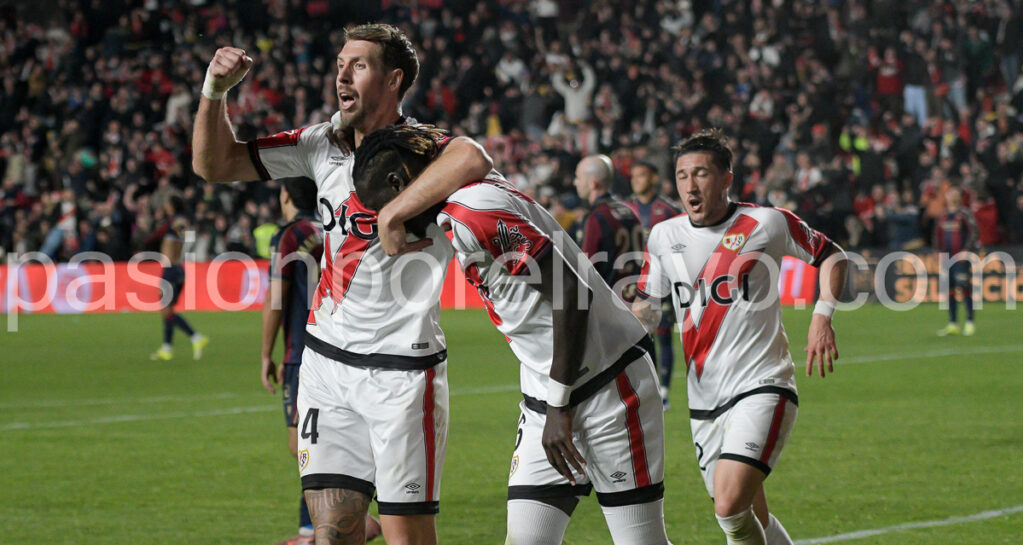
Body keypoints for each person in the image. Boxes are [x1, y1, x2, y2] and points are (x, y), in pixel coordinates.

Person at [192, 23, 492, 545]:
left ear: (393, 80)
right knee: (332, 534)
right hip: (327, 365)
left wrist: (395, 209)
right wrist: (215, 92)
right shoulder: (319, 145)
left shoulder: (421, 151)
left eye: (358, 65)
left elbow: (474, 156)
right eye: (339, 66)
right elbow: (214, 164)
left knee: (406, 535)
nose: (341, 77)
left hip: (403, 373)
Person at [352, 124, 671, 545]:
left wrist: (559, 406)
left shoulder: (473, 210)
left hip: (609, 386)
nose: (390, 221)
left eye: (385, 207)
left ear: (400, 184)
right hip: (547, 393)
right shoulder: (463, 199)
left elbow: (570, 291)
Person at [632, 129, 848, 545]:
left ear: (727, 179)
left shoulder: (766, 222)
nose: (690, 185)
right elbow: (648, 306)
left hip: (762, 386)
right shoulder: (663, 236)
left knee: (729, 507)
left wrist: (823, 316)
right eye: (681, 176)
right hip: (703, 402)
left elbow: (832, 255)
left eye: (701, 174)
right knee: (752, 516)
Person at [260, 179, 383, 545]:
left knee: (303, 444)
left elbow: (276, 297)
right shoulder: (328, 229)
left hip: (302, 351)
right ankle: (322, 526)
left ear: (285, 197)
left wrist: (267, 352)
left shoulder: (289, 236)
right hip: (339, 346)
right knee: (319, 440)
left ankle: (329, 526)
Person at [625, 161, 683, 408]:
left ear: (654, 178)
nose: (636, 180)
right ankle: (646, 388)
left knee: (663, 335)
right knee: (639, 336)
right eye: (633, 175)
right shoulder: (626, 209)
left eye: (641, 175)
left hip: (663, 282)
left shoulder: (668, 209)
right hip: (634, 283)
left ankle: (665, 391)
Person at [571, 154, 646, 301]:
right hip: (634, 300)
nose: (575, 182)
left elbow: (585, 271)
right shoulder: (630, 211)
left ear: (593, 183)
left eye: (578, 177)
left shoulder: (596, 217)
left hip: (609, 305)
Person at [147, 194, 209, 361]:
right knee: (168, 311)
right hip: (177, 270)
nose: (165, 206)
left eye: (167, 203)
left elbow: (168, 234)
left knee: (166, 310)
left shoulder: (176, 221)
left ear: (172, 205)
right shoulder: (177, 221)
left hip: (171, 270)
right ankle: (167, 348)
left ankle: (196, 337)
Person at [934, 187, 979, 336]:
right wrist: (937, 252)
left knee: (964, 288)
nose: (951, 196)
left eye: (954, 194)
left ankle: (970, 322)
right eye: (949, 194)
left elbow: (974, 232)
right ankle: (952, 323)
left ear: (959, 197)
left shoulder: (964, 214)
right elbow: (938, 235)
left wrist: (967, 250)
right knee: (950, 290)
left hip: (961, 258)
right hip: (946, 258)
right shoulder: (943, 216)